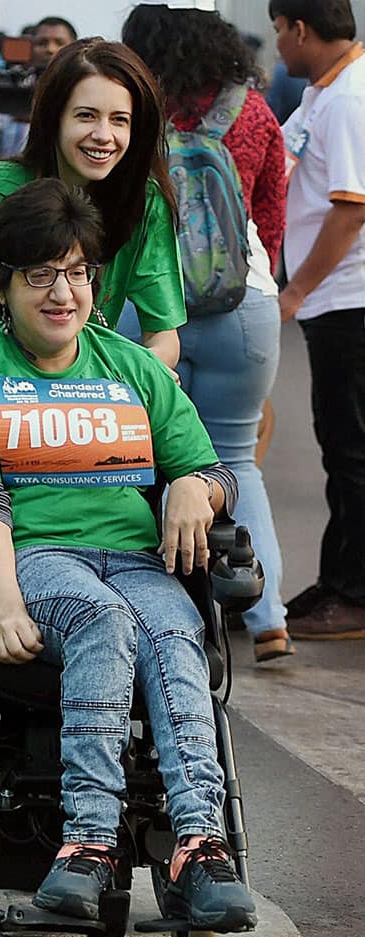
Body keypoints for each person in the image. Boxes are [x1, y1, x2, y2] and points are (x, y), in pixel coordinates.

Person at [0, 177, 257, 931]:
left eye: (75, 272)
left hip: (138, 559)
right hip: (37, 558)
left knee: (177, 638)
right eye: (40, 274)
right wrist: (4, 608)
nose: (61, 292)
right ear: (2, 285)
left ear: (94, 282)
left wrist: (192, 491)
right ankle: (87, 847)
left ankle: (199, 847)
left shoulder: (133, 367)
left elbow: (214, 472)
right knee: (105, 621)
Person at [122, 3, 292, 665]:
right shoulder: (253, 113)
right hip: (242, 303)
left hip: (149, 302)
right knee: (237, 461)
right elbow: (271, 219)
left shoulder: (131, 109)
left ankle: (168, 619)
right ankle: (269, 619)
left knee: (146, 459)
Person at [0, 36, 185, 413]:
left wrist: (142, 375)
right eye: (86, 115)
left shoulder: (145, 203)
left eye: (120, 120)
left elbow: (163, 336)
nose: (104, 135)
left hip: (79, 419)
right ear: (53, 117)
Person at [269, 0, 365, 639]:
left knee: (353, 450)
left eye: (278, 30)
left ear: (301, 28)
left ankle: (354, 596)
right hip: (333, 301)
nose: (277, 43)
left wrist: (295, 289)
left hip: (348, 299)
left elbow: (352, 207)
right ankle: (337, 579)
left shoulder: (352, 98)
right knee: (340, 446)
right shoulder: (322, 93)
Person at [0, 17, 78, 165]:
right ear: (29, 48)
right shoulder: (10, 89)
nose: (50, 49)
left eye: (59, 43)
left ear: (74, 48)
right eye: (42, 43)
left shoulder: (81, 94)